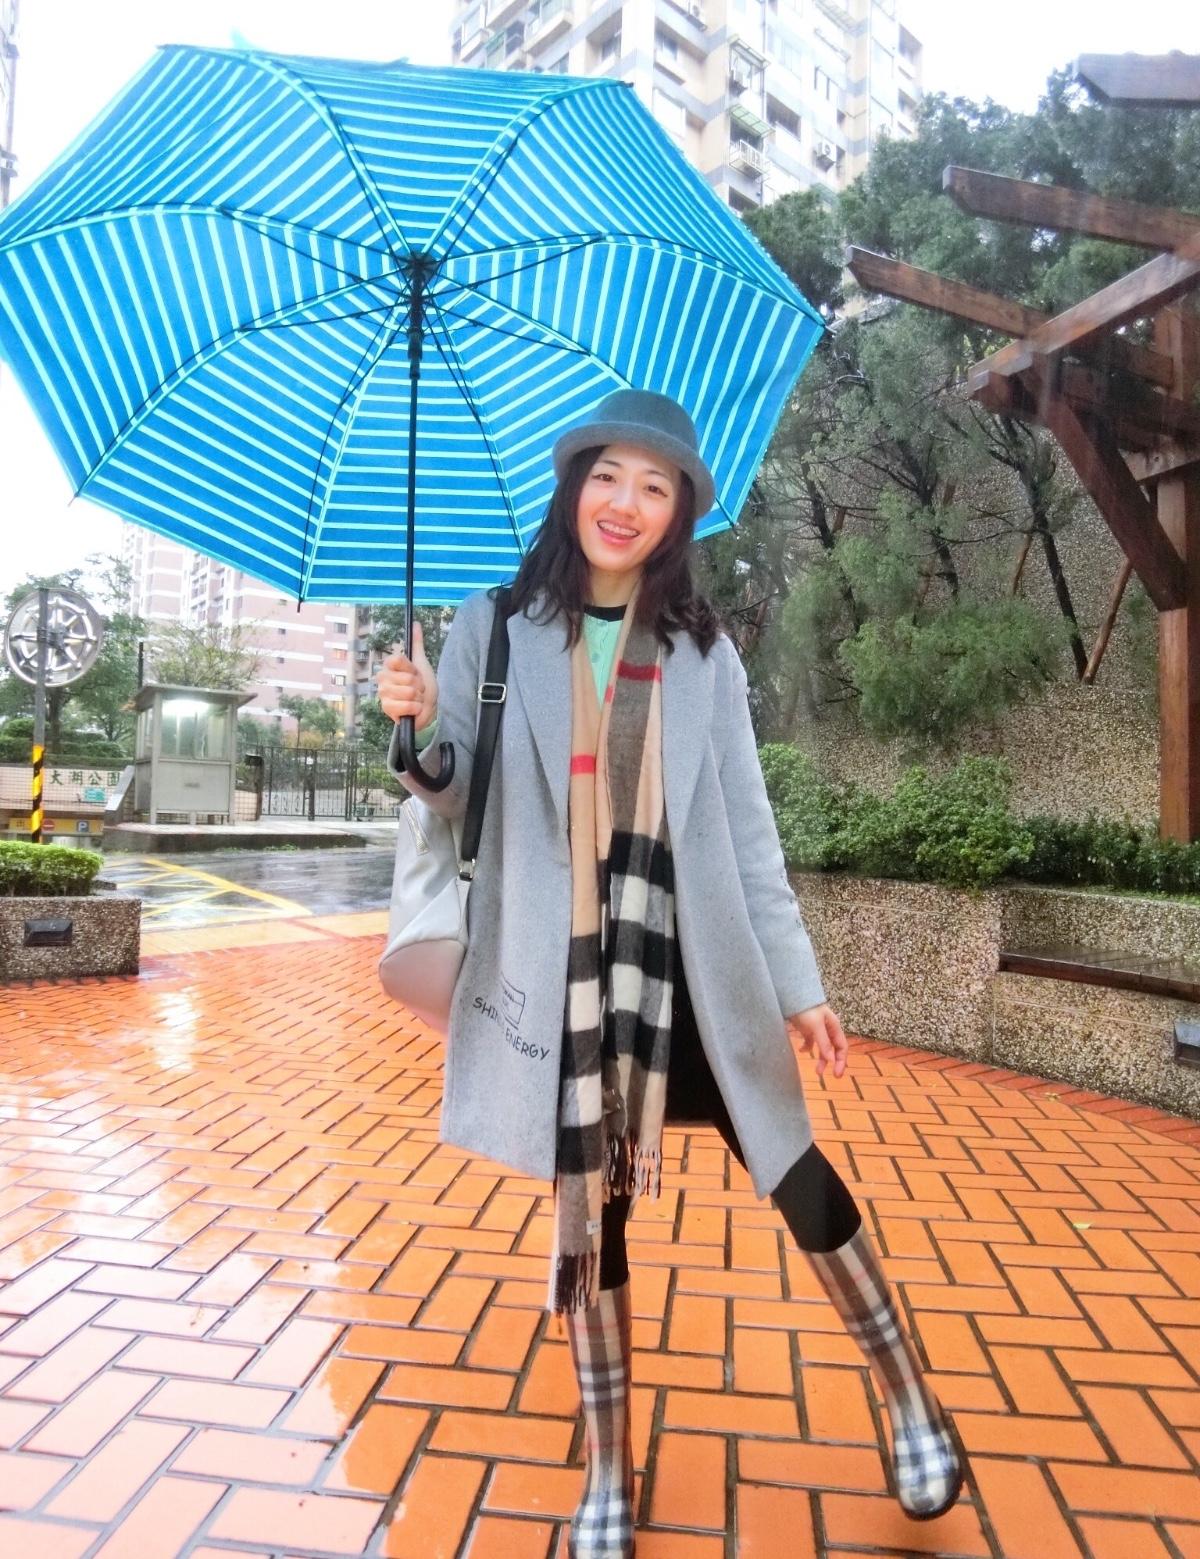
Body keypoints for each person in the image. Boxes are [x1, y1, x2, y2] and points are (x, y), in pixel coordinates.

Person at [380, 389, 964, 1557]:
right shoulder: (494, 623)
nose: (626, 502)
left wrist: (800, 985)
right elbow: (460, 792)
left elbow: (747, 832)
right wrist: (420, 726)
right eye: (608, 476)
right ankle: (609, 1468)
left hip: (695, 964)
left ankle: (909, 1393)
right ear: (573, 486)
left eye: (655, 486)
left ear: (678, 511)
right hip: (565, 967)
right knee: (589, 1209)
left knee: (796, 1171)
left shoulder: (705, 653)